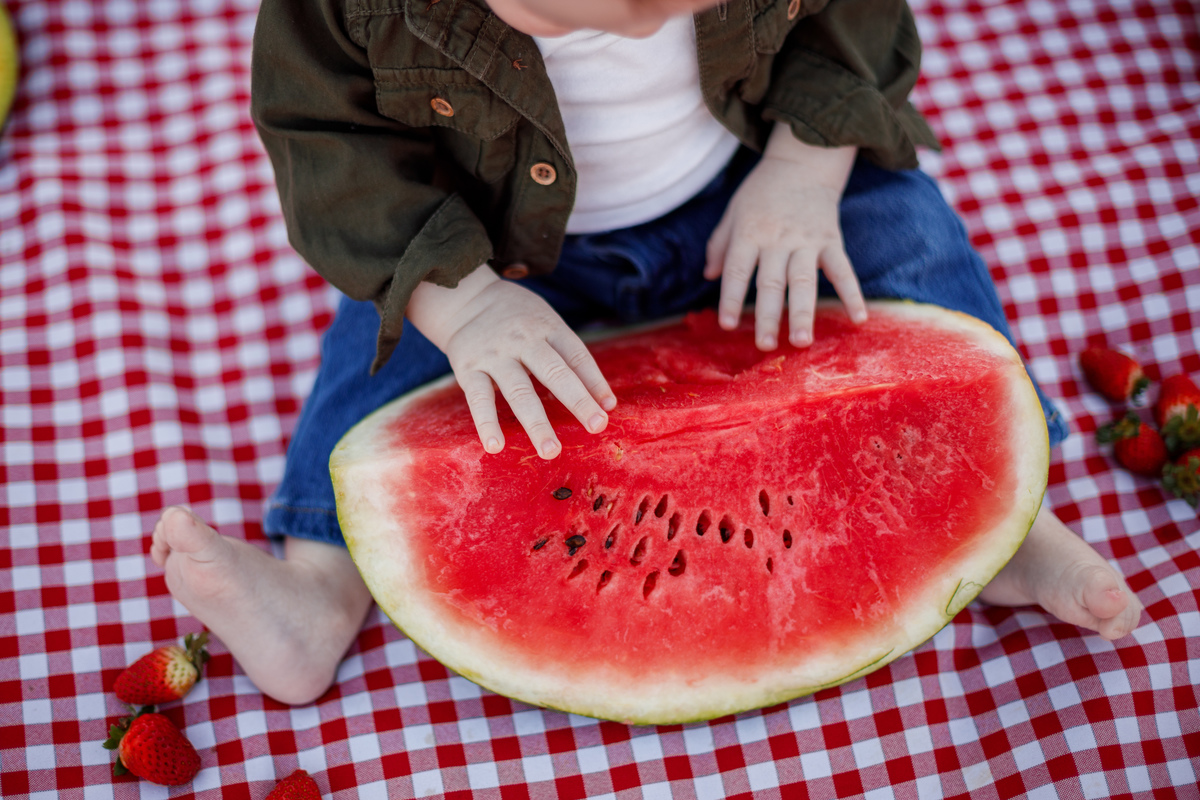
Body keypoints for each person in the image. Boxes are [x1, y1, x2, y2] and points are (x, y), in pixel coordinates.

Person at [150, 0, 1143, 705]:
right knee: (379, 349)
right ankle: (317, 586)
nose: (639, 19)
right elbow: (336, 161)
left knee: (909, 228)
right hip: (502, 256)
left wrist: (803, 170)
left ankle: (1010, 516)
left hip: (750, 205)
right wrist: (465, 303)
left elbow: (856, 24)